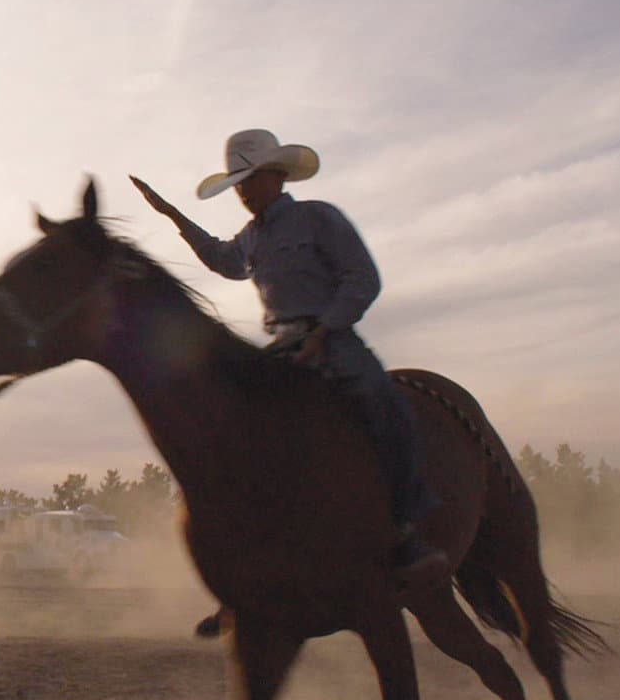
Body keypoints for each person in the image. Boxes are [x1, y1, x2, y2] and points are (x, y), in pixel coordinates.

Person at [131, 129, 450, 615]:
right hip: (280, 346)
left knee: (383, 405)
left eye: (249, 179)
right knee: (231, 430)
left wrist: (324, 330)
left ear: (277, 176)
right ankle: (245, 569)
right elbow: (225, 261)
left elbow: (363, 279)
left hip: (333, 339)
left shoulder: (318, 218)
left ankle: (409, 535)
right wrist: (174, 217)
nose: (242, 191)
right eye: (237, 183)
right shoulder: (252, 237)